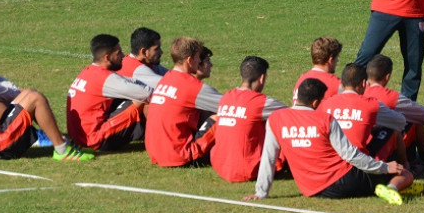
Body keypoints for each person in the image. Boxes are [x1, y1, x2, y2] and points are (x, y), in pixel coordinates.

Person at [243, 78, 421, 205]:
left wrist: (261, 192)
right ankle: (392, 187)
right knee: (404, 174)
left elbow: (269, 157)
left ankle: (390, 185)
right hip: (342, 182)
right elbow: (350, 155)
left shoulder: (276, 119)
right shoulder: (325, 120)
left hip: (310, 188)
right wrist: (384, 167)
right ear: (315, 102)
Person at [65, 34, 153, 151]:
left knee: (130, 97)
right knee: (141, 100)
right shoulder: (105, 79)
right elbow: (146, 94)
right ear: (107, 57)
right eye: (119, 53)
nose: (123, 56)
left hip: (78, 137)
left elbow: (127, 82)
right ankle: (159, 138)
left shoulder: (88, 72)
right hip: (95, 140)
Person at [143, 37, 221, 167]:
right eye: (198, 58)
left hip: (156, 153)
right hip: (181, 156)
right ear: (190, 60)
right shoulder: (191, 86)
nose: (200, 60)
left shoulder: (165, 79)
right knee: (227, 116)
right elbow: (232, 106)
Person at [211, 56, 288, 183]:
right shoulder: (259, 102)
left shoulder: (226, 97)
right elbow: (293, 114)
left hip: (220, 165)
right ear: (262, 78)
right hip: (249, 169)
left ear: (242, 77)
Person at [322, 63, 408, 163]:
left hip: (329, 161)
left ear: (341, 84)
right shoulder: (371, 105)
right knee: (392, 129)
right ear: (363, 83)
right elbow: (401, 122)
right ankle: (406, 167)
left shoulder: (326, 103)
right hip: (358, 163)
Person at [364, 54, 424, 167]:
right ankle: (415, 161)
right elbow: (423, 116)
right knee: (411, 120)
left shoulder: (357, 91)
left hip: (356, 145)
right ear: (387, 76)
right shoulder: (391, 97)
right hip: (380, 146)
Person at [293, 37, 342, 104]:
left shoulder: (301, 80)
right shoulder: (336, 84)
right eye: (337, 57)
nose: (337, 61)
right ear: (331, 60)